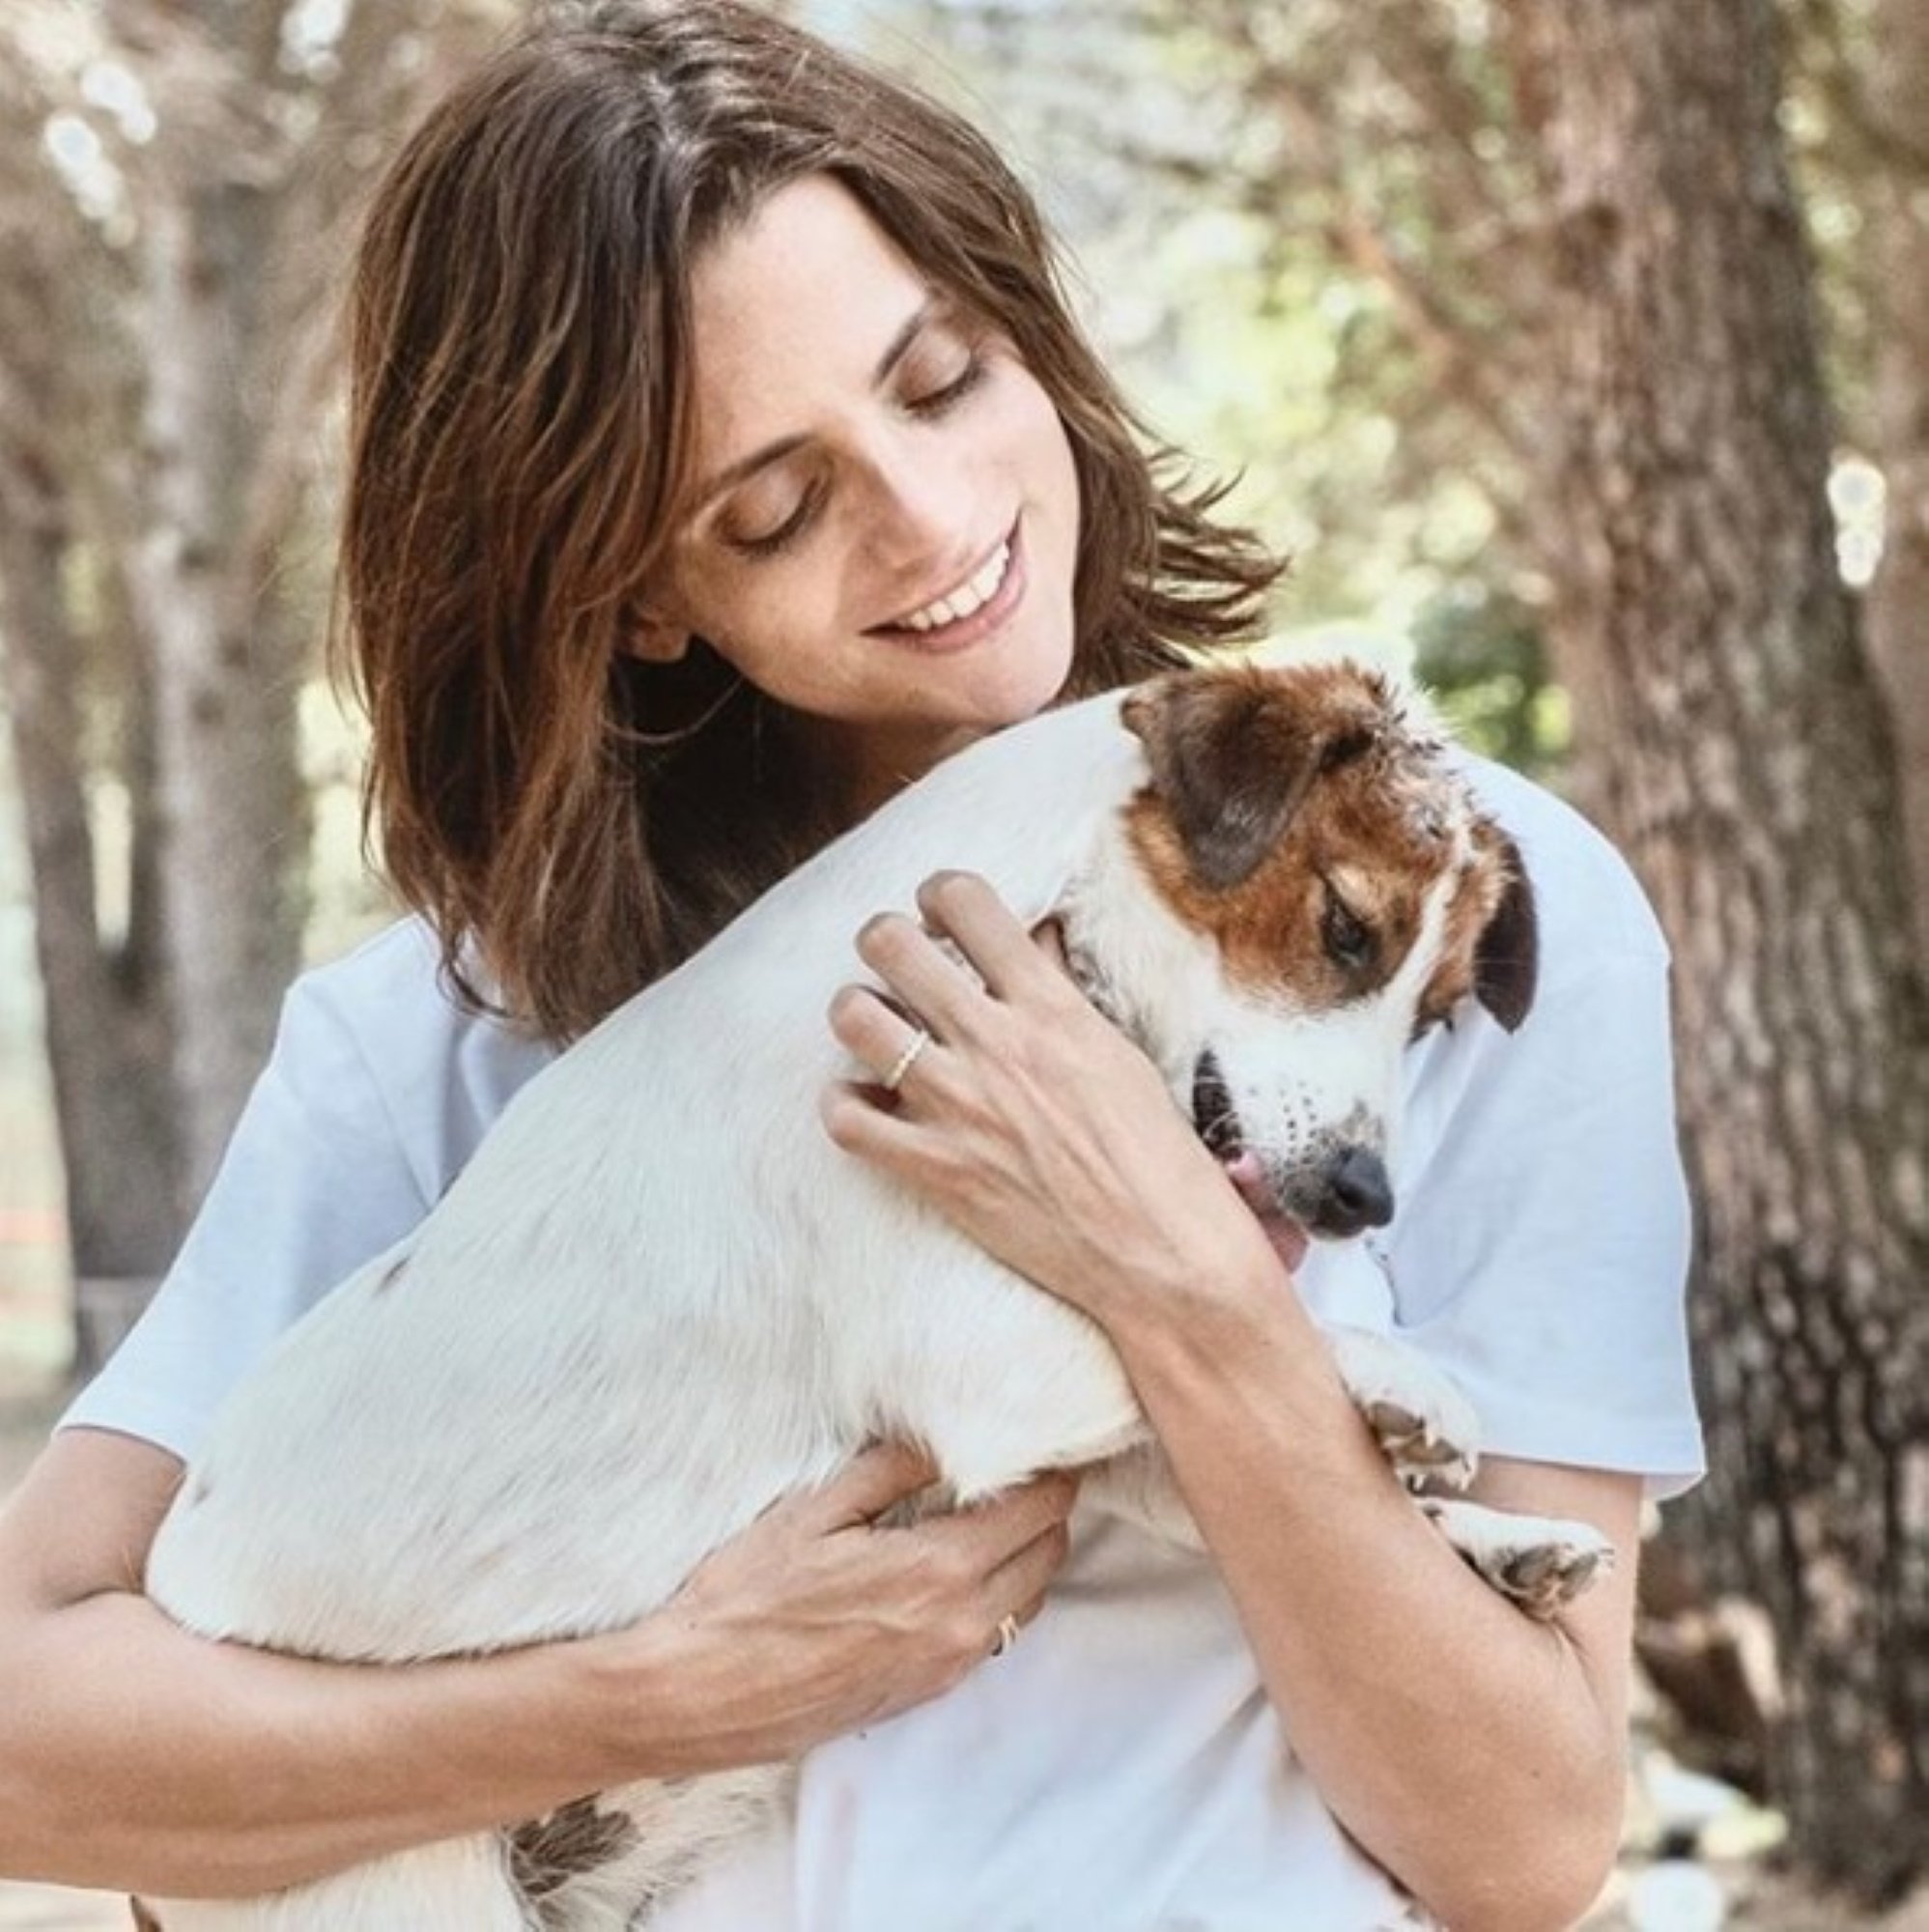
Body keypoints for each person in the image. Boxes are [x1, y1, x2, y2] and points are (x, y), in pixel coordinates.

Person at [0, 3, 1703, 1926]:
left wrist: (1190, 1293)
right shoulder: (442, 1041)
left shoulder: (1445, 921)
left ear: (1023, 323)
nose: (930, 521)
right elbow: (31, 1737)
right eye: (777, 505)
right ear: (636, 592)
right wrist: (645, 1694)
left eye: (944, 378)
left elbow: (1534, 1840)